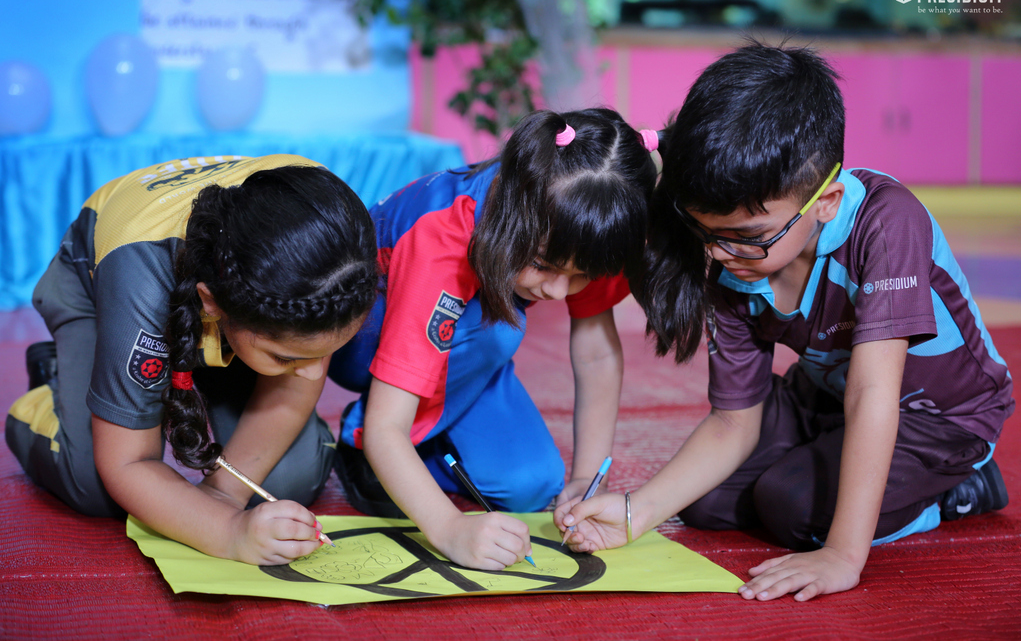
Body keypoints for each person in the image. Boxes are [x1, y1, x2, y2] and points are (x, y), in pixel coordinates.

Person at [557, 43, 1013, 601]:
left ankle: (957, 489)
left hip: (935, 415)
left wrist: (844, 555)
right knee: (705, 503)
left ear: (827, 201)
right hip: (822, 399)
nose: (722, 254)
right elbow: (733, 423)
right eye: (707, 233)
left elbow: (874, 394)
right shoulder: (733, 258)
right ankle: (823, 469)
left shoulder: (887, 223)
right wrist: (636, 512)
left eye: (748, 237)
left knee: (791, 507)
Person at [328, 108, 660, 570]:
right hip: (359, 341)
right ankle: (357, 436)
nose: (556, 290)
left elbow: (597, 352)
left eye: (580, 275)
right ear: (513, 215)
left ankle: (415, 441)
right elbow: (390, 427)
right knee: (499, 329)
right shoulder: (444, 238)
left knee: (531, 484)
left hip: (461, 353)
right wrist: (448, 529)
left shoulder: (596, 228)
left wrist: (588, 475)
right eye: (543, 265)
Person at [6, 154, 378, 565]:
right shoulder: (140, 272)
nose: (314, 373)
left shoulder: (333, 249)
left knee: (292, 477)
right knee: (94, 482)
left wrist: (223, 496)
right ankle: (52, 387)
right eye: (288, 356)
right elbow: (127, 462)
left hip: (238, 312)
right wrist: (229, 532)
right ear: (211, 304)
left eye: (327, 352)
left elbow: (299, 363)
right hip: (104, 291)